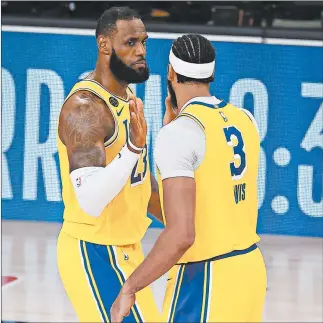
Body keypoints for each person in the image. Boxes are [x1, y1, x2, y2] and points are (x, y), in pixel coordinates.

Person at [111, 34, 267, 323]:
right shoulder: (246, 119)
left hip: (205, 280)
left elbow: (181, 234)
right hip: (250, 272)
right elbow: (216, 198)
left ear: (170, 73)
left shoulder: (180, 135)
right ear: (211, 74)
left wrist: (131, 287)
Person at [56, 7, 162, 322]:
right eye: (130, 42)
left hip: (127, 251)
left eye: (144, 42)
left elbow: (142, 186)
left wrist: (188, 226)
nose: (141, 51)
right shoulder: (85, 108)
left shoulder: (128, 99)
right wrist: (133, 147)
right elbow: (89, 200)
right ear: (104, 45)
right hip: (95, 251)